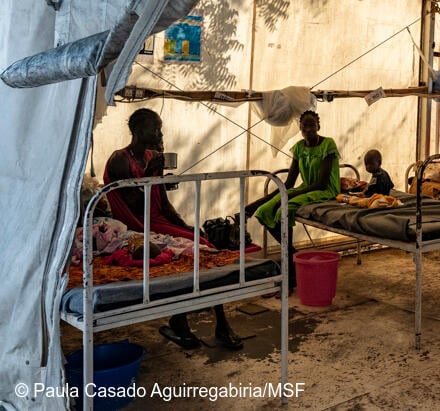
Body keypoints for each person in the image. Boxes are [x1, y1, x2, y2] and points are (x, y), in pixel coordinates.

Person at [104, 108, 243, 351]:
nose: (159, 133)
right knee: (193, 253)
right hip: (137, 223)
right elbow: (135, 203)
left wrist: (184, 225)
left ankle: (216, 322)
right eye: (154, 128)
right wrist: (149, 173)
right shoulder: (119, 160)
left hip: (157, 219)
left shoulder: (152, 157)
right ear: (137, 130)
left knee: (207, 246)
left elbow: (163, 204)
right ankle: (187, 320)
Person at [247, 110, 341, 287]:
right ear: (300, 127)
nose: (308, 129)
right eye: (305, 125)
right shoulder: (298, 148)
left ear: (318, 126)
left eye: (312, 125)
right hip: (306, 189)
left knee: (285, 207)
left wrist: (289, 195)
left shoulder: (328, 145)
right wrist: (257, 203)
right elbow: (289, 182)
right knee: (263, 211)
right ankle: (291, 253)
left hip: (325, 190)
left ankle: (290, 264)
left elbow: (321, 183)